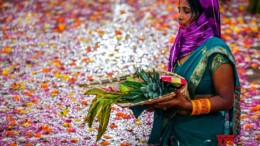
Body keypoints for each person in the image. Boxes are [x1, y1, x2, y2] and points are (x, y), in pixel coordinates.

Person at [131, 0, 241, 145]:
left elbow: (226, 100)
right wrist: (159, 100)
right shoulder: (182, 45)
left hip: (202, 134)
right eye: (179, 10)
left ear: (203, 15)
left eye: (187, 11)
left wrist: (188, 106)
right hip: (175, 128)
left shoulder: (217, 53)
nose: (180, 16)